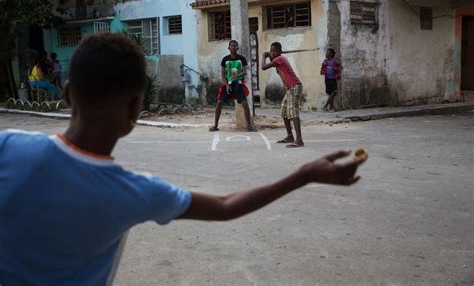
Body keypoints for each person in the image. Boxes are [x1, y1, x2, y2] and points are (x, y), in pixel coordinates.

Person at [0, 33, 365, 285]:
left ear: (67, 95)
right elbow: (225, 206)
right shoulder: (133, 191)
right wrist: (302, 175)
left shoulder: (9, 146)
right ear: (136, 106)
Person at [261, 42, 304, 148]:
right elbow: (272, 62)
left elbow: (263, 67)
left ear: (280, 51)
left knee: (293, 112)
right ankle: (290, 136)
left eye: (274, 50)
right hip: (290, 88)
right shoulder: (277, 60)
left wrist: (263, 56)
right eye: (271, 50)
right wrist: (270, 56)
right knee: (284, 112)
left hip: (294, 86)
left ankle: (299, 140)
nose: (272, 52)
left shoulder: (280, 58)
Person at [209, 40, 257, 132]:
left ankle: (249, 126)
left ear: (237, 48)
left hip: (238, 83)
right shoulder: (225, 59)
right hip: (228, 84)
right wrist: (226, 85)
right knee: (219, 103)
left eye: (235, 46)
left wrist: (237, 75)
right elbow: (223, 74)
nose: (233, 47)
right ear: (229, 48)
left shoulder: (241, 59)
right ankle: (215, 125)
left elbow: (245, 71)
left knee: (245, 104)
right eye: (232, 46)